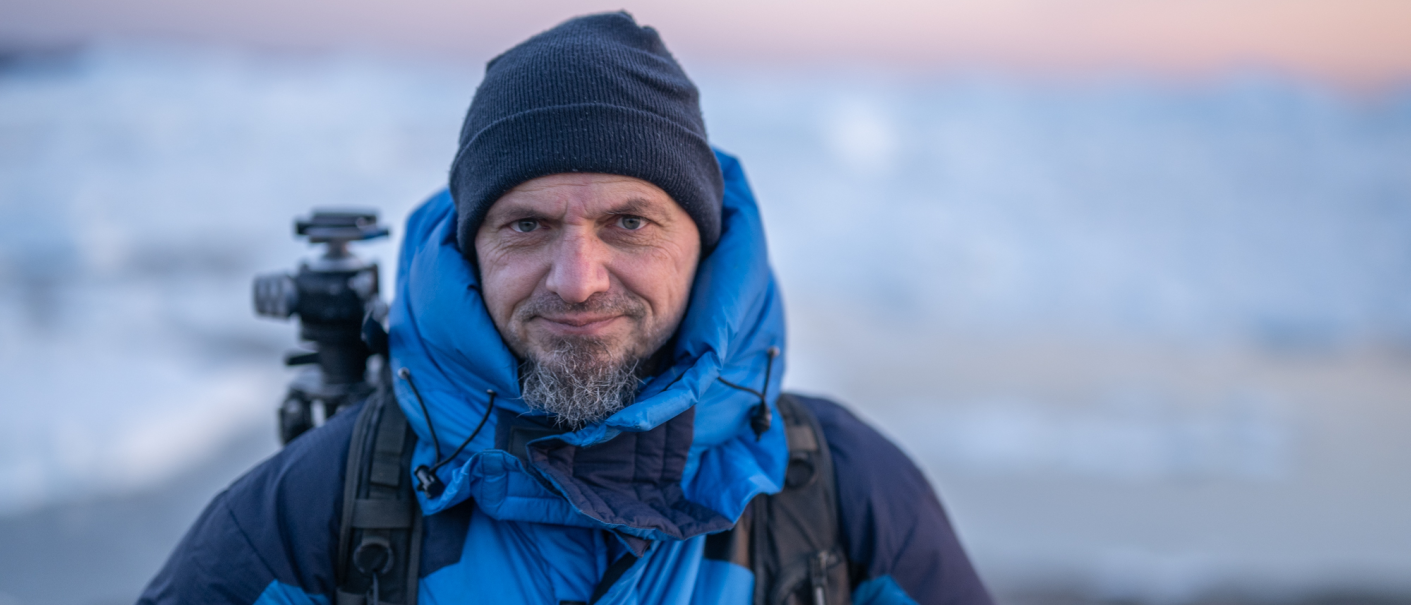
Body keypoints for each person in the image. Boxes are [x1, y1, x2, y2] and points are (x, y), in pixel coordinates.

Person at [139, 12, 993, 605]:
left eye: (629, 222)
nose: (577, 278)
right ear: (471, 253)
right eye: (526, 225)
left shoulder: (842, 495)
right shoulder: (315, 508)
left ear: (704, 244)